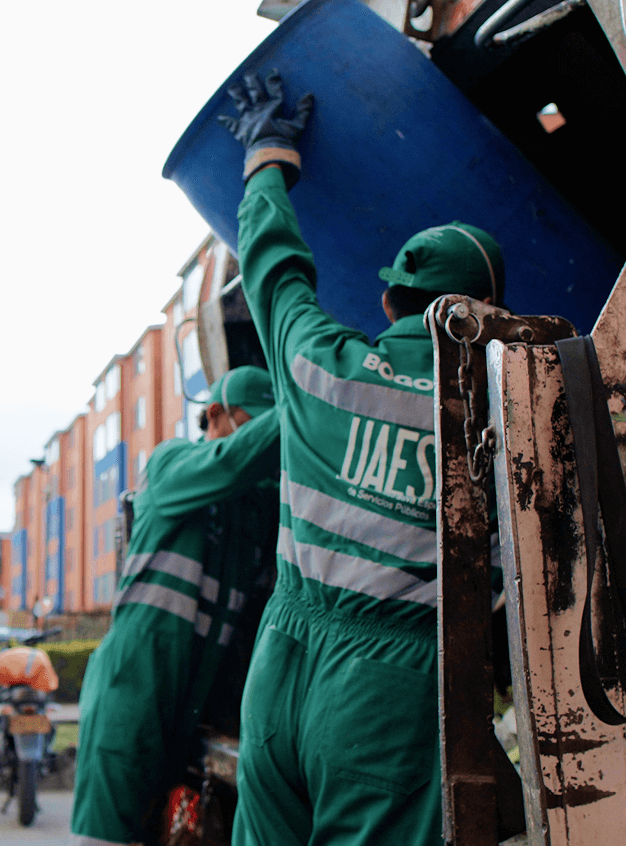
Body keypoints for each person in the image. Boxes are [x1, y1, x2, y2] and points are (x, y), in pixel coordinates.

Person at [219, 70, 503, 846]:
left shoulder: (317, 365)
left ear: (388, 303)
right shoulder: (499, 422)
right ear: (492, 322)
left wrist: (267, 155)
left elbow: (273, 266)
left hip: (279, 665)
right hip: (389, 693)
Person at [71, 365, 281, 846]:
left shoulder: (256, 507)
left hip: (194, 705)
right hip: (134, 692)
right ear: (214, 416)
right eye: (255, 424)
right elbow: (231, 463)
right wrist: (312, 400)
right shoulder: (171, 464)